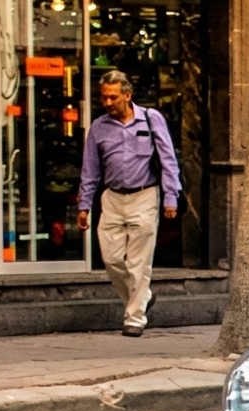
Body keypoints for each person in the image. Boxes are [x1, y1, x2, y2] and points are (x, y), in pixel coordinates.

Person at [77, 70, 181, 337]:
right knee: (111, 259)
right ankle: (143, 296)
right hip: (111, 197)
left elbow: (168, 158)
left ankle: (135, 317)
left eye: (113, 97)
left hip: (144, 195)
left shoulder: (150, 118)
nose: (108, 103)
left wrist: (171, 196)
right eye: (104, 98)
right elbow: (90, 169)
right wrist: (84, 205)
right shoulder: (99, 127)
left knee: (138, 262)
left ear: (127, 95)